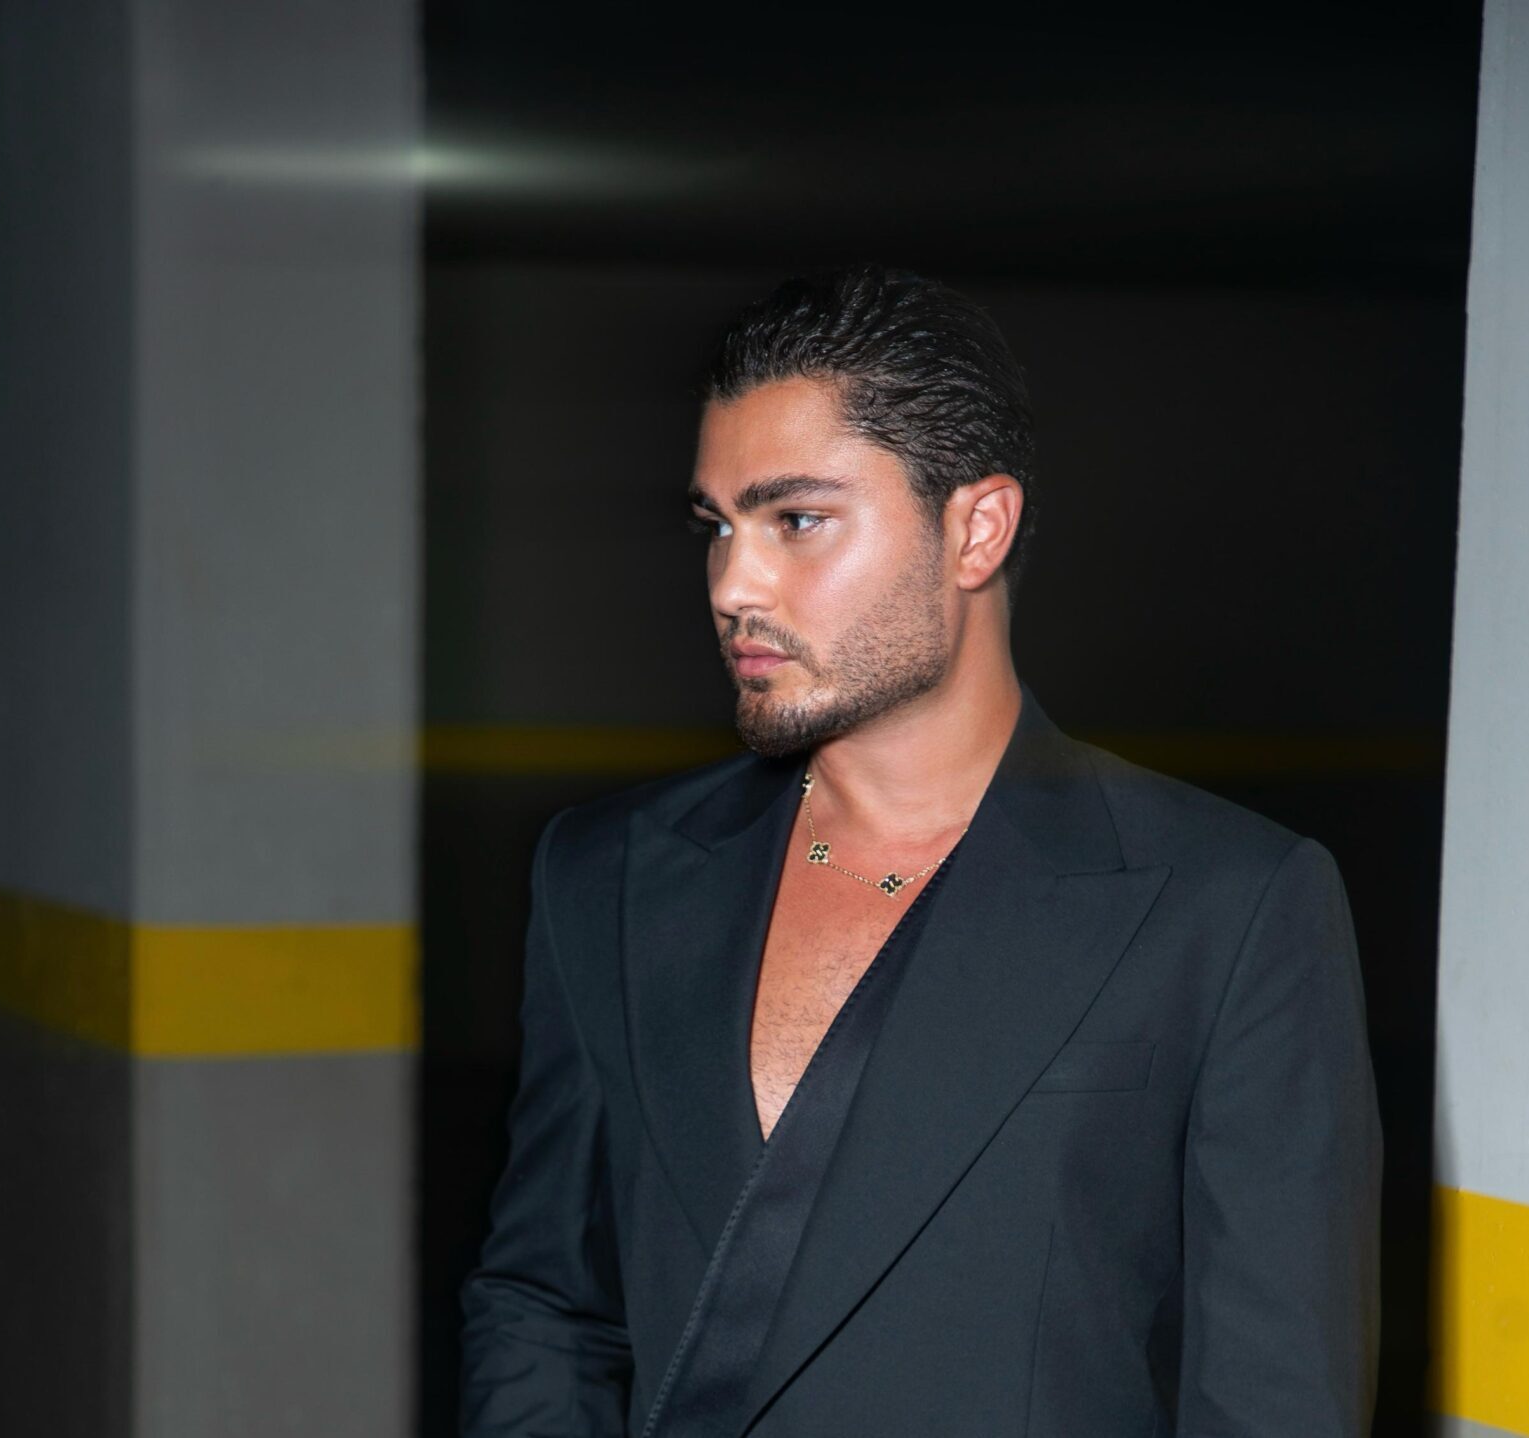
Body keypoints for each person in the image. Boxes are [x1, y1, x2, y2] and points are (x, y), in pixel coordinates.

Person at [459, 263, 1381, 1437]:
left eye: (797, 520)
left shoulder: (1230, 905)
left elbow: (1274, 1401)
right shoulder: (608, 871)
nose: (734, 583)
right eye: (718, 526)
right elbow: (548, 1301)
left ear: (975, 529)